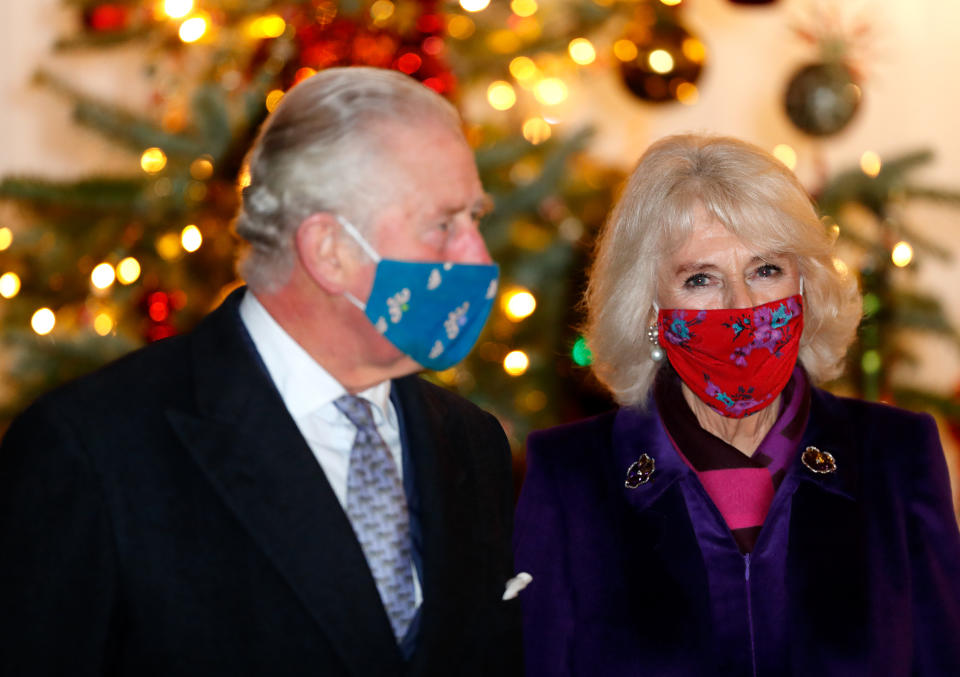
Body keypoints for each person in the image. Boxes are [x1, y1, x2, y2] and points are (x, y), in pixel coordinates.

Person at [0, 67, 521, 676]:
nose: (479, 258)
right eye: (443, 225)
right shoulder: (90, 451)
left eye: (475, 219)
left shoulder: (471, 442)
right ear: (330, 249)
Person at [514, 133, 960, 676]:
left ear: (806, 283)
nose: (742, 308)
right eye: (701, 279)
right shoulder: (569, 476)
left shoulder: (897, 456)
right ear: (649, 307)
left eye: (766, 270)